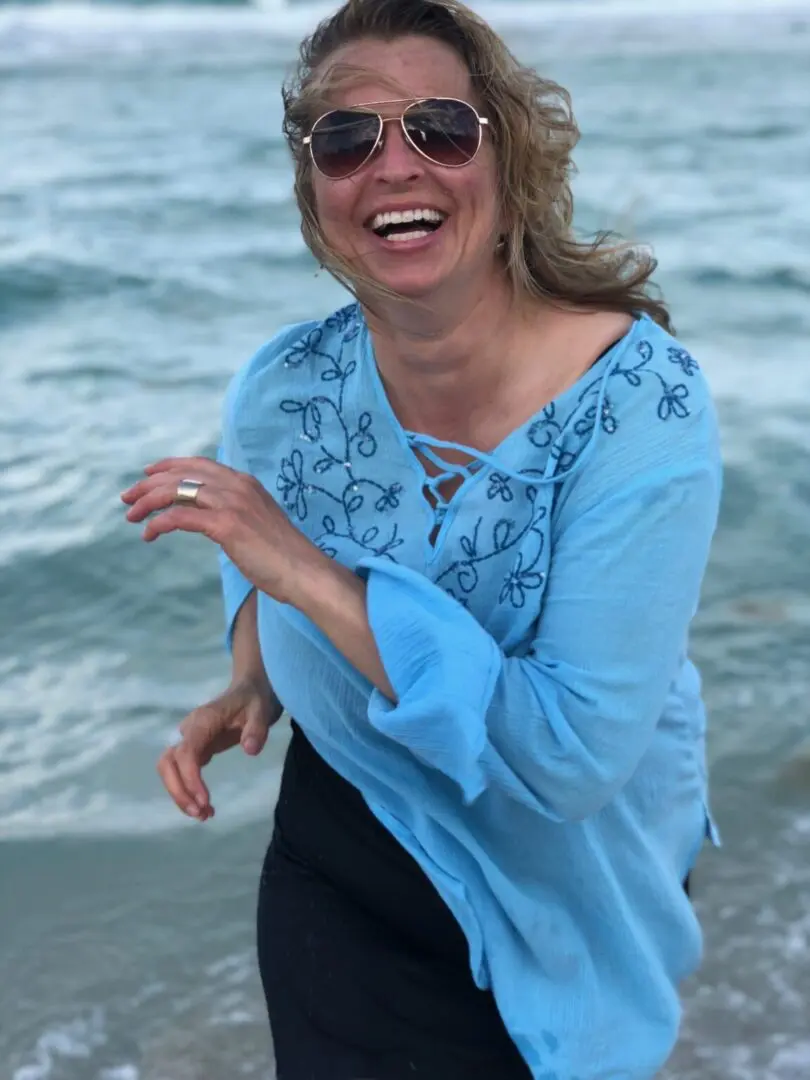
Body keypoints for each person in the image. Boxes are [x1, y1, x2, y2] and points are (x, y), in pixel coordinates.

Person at [121, 1, 723, 1077]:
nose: (394, 165)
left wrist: (311, 576)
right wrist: (252, 680)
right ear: (316, 187)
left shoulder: (640, 401)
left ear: (506, 159)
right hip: (347, 856)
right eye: (346, 139)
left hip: (571, 875)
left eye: (439, 129)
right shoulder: (283, 383)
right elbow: (259, 558)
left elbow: (570, 757)